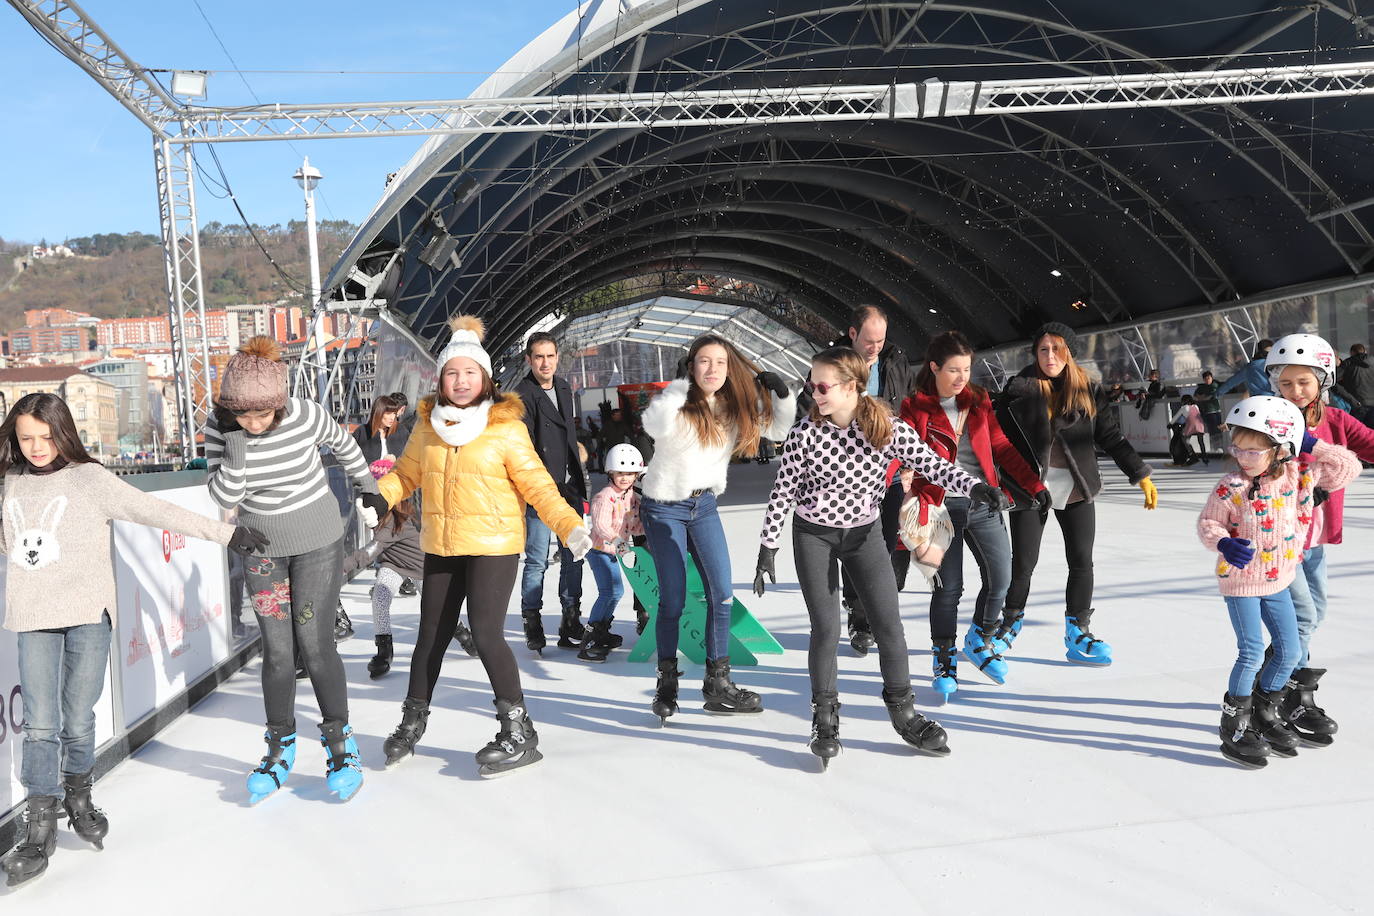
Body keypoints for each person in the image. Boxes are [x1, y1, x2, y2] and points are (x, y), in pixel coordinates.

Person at [0, 393, 265, 887]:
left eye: (45, 436)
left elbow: (154, 510)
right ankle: (39, 829)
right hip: (33, 616)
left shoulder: (90, 480)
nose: (36, 447)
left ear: (63, 432)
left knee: (78, 719)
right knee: (40, 724)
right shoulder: (9, 486)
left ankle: (78, 796)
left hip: (86, 617)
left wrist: (226, 535)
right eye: (25, 438)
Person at [756, 347, 1007, 765]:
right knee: (827, 628)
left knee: (889, 626)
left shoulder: (886, 428)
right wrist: (768, 546)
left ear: (851, 386)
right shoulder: (804, 434)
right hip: (814, 535)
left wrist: (974, 486)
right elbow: (782, 491)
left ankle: (903, 712)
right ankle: (825, 718)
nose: (814, 393)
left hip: (864, 534)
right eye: (810, 385)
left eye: (823, 386)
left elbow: (932, 464)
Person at [375, 316, 591, 776]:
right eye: (452, 372)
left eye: (470, 372)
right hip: (443, 543)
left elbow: (537, 484)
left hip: (493, 544)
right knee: (430, 635)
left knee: (486, 632)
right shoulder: (428, 426)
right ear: (441, 379)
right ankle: (412, 723)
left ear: (486, 378)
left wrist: (569, 525)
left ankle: (519, 730)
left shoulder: (505, 427)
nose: (460, 381)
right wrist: (378, 498)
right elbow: (405, 474)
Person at [204, 336, 380, 805]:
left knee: (315, 644)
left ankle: (342, 748)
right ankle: (278, 749)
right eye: (244, 414)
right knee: (278, 653)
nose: (255, 423)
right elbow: (222, 496)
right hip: (261, 548)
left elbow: (344, 444)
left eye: (263, 415)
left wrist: (368, 488)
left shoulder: (304, 414)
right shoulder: (222, 429)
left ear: (280, 404)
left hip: (317, 541)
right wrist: (238, 448)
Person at [640, 334, 795, 723]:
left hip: (704, 505)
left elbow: (777, 431)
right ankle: (667, 684)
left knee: (722, 594)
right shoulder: (675, 404)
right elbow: (653, 424)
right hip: (664, 507)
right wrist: (677, 387)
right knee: (673, 600)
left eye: (721, 363)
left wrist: (781, 395)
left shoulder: (731, 408)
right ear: (691, 365)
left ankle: (717, 682)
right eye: (704, 362)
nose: (713, 370)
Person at [1197, 396, 1358, 768]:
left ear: (1279, 449)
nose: (1243, 457)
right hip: (1241, 583)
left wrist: (1312, 444)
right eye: (1238, 448)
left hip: (1280, 579)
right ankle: (1234, 721)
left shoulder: (1298, 475)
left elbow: (1348, 467)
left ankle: (1265, 711)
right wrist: (1223, 542)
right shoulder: (1232, 485)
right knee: (1252, 652)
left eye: (1254, 451)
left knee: (1287, 651)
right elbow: (1209, 523)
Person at [995, 322, 1157, 665]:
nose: (1050, 356)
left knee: (1081, 561)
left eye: (1057, 349)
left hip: (1076, 488)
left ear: (1069, 352)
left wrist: (1139, 473)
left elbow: (1111, 437)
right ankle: (1008, 625)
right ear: (1034, 354)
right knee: (1023, 564)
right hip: (1030, 488)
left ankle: (1078, 630)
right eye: (1043, 349)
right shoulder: (1017, 391)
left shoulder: (1088, 390)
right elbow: (998, 443)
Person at [899, 331, 1049, 699]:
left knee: (1002, 577)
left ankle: (979, 638)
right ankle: (944, 655)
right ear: (934, 368)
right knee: (949, 588)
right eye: (953, 370)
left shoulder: (979, 401)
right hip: (939, 506)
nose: (962, 377)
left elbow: (1001, 447)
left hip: (984, 502)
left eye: (966, 369)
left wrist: (1034, 485)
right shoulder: (915, 407)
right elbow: (907, 456)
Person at [1263, 333, 1374, 744]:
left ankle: (1272, 679)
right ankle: (1291, 693)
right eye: (1286, 382)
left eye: (1304, 382)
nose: (1295, 391)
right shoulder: (1268, 420)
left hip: (1315, 540)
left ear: (1323, 381)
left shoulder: (1337, 420)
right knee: (1303, 618)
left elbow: (1369, 445)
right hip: (1278, 539)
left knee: (1314, 613)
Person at [799, 305, 917, 654]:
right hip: (846, 473)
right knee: (855, 541)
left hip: (890, 469)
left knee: (888, 543)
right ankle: (860, 617)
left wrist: (908, 459)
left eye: (880, 340)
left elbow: (905, 407)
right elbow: (811, 406)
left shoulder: (895, 360)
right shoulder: (830, 364)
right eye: (869, 340)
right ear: (853, 334)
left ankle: (880, 612)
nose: (875, 347)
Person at [513, 332, 589, 653]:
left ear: (558, 358)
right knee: (537, 559)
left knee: (574, 553)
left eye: (550, 356)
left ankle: (571, 616)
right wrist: (536, 485)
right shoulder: (524, 394)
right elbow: (525, 446)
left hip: (569, 488)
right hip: (541, 490)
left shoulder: (563, 387)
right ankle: (532, 619)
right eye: (539, 357)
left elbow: (567, 436)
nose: (545, 363)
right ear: (529, 360)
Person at [579, 443, 645, 663]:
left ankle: (602, 631)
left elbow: (633, 524)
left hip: (614, 550)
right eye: (620, 474)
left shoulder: (631, 497)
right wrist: (619, 543)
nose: (625, 478)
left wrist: (652, 531)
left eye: (629, 474)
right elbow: (600, 526)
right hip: (599, 550)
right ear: (611, 473)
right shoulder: (604, 497)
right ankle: (589, 639)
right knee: (609, 591)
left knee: (615, 592)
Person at [352, 394, 404, 464]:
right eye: (388, 413)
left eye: (394, 413)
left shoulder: (401, 431)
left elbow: (410, 456)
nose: (392, 418)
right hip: (369, 474)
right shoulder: (362, 432)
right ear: (379, 413)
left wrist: (396, 460)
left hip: (394, 474)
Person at [1337, 343, 1374, 426]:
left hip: (1357, 405)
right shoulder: (1372, 361)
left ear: (1352, 352)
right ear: (1365, 351)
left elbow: (1332, 381)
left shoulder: (1348, 363)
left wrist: (1349, 398)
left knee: (1357, 434)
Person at [1169, 394, 1208, 466]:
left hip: (1191, 426)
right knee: (1201, 441)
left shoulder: (1184, 407)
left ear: (1184, 401)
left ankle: (1193, 456)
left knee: (1185, 439)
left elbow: (1176, 417)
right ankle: (1204, 456)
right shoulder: (1195, 406)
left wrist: (1170, 424)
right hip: (1200, 425)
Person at [1192, 370, 1225, 453]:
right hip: (1207, 411)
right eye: (1205, 379)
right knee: (1211, 430)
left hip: (1216, 410)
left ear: (1212, 378)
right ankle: (1214, 447)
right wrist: (1202, 397)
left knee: (1218, 429)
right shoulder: (1202, 387)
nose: (1207, 380)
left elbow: (1210, 396)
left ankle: (1220, 447)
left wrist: (1203, 397)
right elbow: (1195, 396)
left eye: (1209, 378)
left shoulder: (1214, 385)